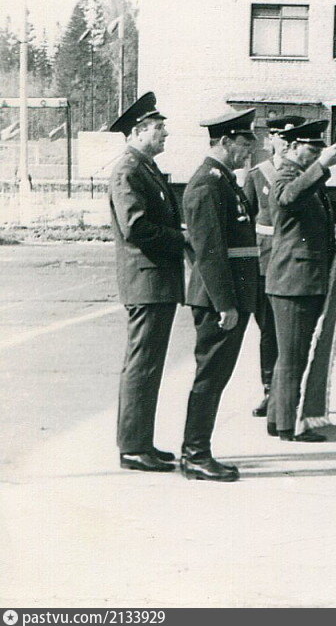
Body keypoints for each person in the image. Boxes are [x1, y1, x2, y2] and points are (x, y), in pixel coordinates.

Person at [180, 109, 259, 482]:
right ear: (225, 141)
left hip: (230, 297)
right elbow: (209, 251)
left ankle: (197, 450)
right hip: (219, 302)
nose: (249, 150)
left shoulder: (224, 181)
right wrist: (225, 303)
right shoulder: (207, 185)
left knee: (216, 376)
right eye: (244, 143)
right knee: (210, 377)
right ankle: (195, 454)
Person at [107, 92, 184, 473]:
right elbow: (136, 227)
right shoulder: (128, 171)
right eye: (158, 128)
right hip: (147, 281)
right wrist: (182, 238)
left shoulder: (145, 168)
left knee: (149, 365)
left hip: (156, 281)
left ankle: (141, 442)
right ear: (138, 132)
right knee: (143, 365)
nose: (164, 134)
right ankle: (134, 448)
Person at [265, 120, 336, 442]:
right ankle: (289, 425)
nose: (316, 155)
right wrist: (322, 165)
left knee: (292, 353)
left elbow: (319, 206)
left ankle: (277, 419)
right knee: (293, 356)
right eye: (312, 150)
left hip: (302, 279)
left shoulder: (304, 176)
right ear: (294, 147)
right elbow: (289, 198)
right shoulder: (286, 175)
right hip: (293, 280)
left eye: (318, 151)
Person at [241, 115, 306, 418]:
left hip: (295, 262)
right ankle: (270, 390)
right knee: (269, 330)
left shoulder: (303, 174)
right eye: (281, 137)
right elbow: (245, 221)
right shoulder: (258, 175)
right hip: (266, 263)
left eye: (293, 138)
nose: (287, 143)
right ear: (271, 141)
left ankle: (292, 393)